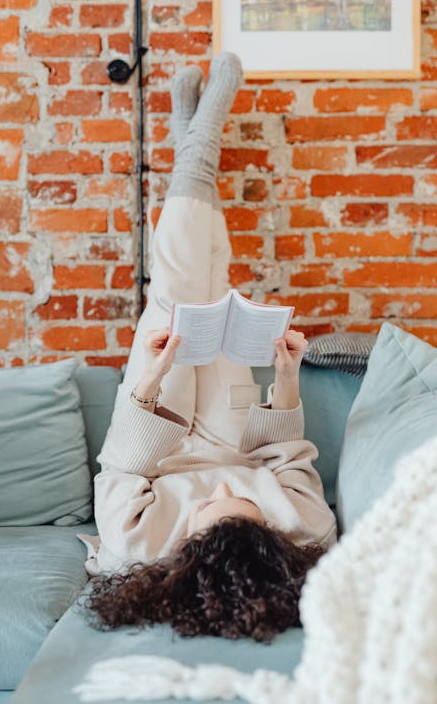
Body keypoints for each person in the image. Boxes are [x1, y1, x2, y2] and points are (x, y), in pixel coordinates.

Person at [80, 52, 336, 643]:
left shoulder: (134, 548)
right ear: (271, 542)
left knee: (174, 294)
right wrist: (286, 374)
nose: (223, 489)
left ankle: (200, 131)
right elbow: (286, 457)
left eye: (207, 508)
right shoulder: (306, 529)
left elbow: (122, 465)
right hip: (235, 436)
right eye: (241, 505)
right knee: (212, 292)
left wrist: (152, 376)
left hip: (155, 436)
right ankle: (189, 137)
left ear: (189, 554)